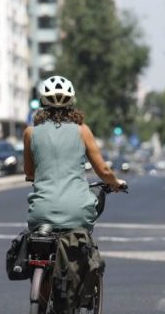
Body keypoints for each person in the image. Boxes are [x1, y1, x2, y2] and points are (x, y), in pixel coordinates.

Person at [23, 76, 125, 232]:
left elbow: (30, 173)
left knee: (29, 242)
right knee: (82, 243)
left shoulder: (30, 133)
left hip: (41, 212)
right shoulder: (82, 130)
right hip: (78, 210)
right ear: (72, 101)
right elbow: (104, 171)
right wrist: (116, 182)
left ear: (42, 101)